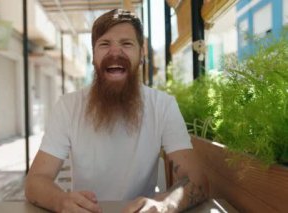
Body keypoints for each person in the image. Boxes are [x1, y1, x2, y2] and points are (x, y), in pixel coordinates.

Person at [25, 9, 208, 213]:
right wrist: (61, 201)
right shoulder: (68, 106)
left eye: (126, 44)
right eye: (104, 44)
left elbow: (197, 180)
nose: (115, 53)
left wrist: (164, 205)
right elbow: (35, 181)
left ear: (142, 52)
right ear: (93, 54)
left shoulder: (163, 106)